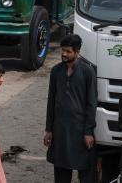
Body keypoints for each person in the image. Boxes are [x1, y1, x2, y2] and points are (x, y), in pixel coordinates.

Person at [44, 34, 97, 183]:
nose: (64, 54)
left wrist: (88, 132)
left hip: (80, 130)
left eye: (68, 51)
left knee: (85, 170)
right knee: (61, 171)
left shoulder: (88, 72)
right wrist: (49, 129)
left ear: (77, 51)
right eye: (63, 51)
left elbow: (91, 103)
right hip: (60, 129)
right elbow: (51, 100)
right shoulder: (56, 71)